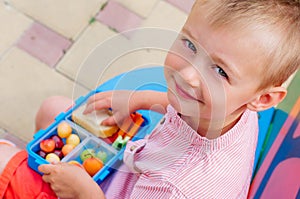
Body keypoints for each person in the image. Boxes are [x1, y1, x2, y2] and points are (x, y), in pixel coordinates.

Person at [1, 0, 299, 198]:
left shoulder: (178, 188)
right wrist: (143, 99)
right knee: (53, 109)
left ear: (264, 99)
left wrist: (84, 193)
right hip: (129, 171)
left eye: (220, 71)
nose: (188, 75)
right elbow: (189, 107)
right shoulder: (235, 107)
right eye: (190, 44)